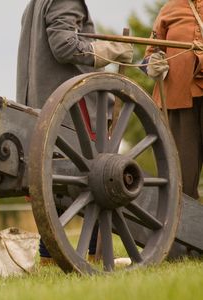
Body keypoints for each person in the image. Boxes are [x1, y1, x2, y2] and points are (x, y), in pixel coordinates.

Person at [16, 0, 133, 265]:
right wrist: (107, 51)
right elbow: (64, 46)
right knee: (95, 177)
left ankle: (48, 257)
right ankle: (93, 255)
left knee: (54, 184)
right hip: (71, 110)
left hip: (43, 105)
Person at [144, 0, 203, 201]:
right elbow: (150, 56)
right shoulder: (170, 9)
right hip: (179, 105)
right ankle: (182, 229)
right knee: (182, 179)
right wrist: (152, 64)